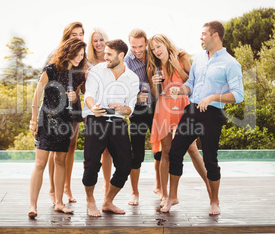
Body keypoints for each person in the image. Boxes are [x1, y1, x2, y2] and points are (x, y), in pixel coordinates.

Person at [160, 21, 244, 215]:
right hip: (191, 111)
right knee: (175, 151)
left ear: (215, 36)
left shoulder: (231, 63)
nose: (201, 37)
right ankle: (172, 196)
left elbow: (239, 95)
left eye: (204, 34)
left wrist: (214, 97)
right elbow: (191, 82)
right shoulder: (198, 58)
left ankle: (214, 201)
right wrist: (180, 90)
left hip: (212, 114)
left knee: (210, 159)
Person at [147, 34, 212, 207]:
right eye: (153, 49)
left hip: (182, 106)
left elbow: (191, 83)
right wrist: (154, 84)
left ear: (166, 44)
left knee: (192, 148)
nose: (156, 51)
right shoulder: (153, 66)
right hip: (164, 108)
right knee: (165, 151)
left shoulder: (182, 57)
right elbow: (155, 94)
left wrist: (177, 66)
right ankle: (165, 194)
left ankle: (209, 186)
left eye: (158, 46)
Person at [28, 37, 87, 217]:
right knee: (40, 163)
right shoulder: (51, 69)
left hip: (65, 122)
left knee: (60, 161)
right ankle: (32, 205)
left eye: (82, 55)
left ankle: (59, 203)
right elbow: (37, 95)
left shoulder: (78, 74)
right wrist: (33, 120)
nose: (79, 58)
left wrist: (74, 98)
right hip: (45, 121)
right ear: (68, 52)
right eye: (76, 54)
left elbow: (77, 97)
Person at [82, 39, 139, 217]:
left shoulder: (133, 78)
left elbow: (131, 107)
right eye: (104, 53)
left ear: (121, 56)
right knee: (91, 164)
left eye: (109, 54)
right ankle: (90, 201)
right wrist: (94, 108)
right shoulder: (97, 71)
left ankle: (108, 201)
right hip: (95, 118)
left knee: (125, 164)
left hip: (117, 121)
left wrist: (123, 109)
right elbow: (89, 95)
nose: (104, 56)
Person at [48, 22, 85, 204]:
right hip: (55, 109)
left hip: (74, 107)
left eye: (80, 34)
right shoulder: (55, 56)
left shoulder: (82, 58)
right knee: (54, 149)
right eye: (73, 34)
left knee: (70, 148)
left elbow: (82, 86)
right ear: (66, 37)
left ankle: (67, 187)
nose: (77, 37)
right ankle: (53, 189)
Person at [124, 29, 161, 206]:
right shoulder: (126, 61)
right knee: (136, 153)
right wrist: (135, 97)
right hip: (137, 112)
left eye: (140, 46)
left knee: (160, 150)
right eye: (133, 47)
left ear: (146, 42)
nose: (137, 50)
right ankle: (134, 192)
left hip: (156, 108)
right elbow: (122, 90)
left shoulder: (153, 55)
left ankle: (159, 186)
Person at [86, 28, 113, 196]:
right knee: (93, 150)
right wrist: (85, 76)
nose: (98, 43)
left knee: (108, 149)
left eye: (101, 40)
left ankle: (107, 184)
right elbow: (84, 90)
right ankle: (90, 185)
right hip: (92, 109)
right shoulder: (87, 61)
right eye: (95, 41)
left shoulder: (112, 59)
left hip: (110, 107)